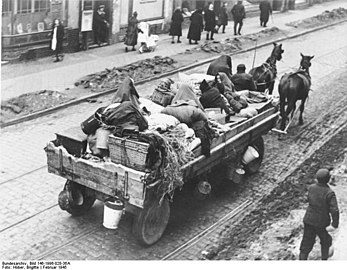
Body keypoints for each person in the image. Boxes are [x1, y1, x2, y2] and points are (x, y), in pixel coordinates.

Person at [299, 168, 339, 260]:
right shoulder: (329, 193)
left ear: (317, 178)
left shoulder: (311, 187)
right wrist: (334, 224)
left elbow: (308, 199)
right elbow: (334, 210)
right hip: (322, 223)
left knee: (306, 245)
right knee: (326, 241)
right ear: (328, 179)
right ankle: (324, 260)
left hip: (308, 220)